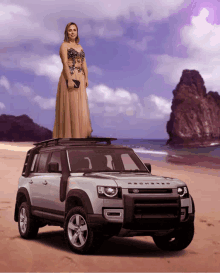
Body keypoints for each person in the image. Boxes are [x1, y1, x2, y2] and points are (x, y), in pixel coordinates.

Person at [53, 22, 92, 138]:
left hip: (80, 77)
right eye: (70, 30)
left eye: (74, 30)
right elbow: (65, 63)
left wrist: (86, 77)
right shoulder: (64, 45)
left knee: (81, 108)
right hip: (69, 76)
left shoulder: (80, 47)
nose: (72, 32)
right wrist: (69, 79)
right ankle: (71, 136)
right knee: (72, 107)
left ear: (77, 32)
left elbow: (84, 63)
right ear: (66, 32)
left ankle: (81, 135)